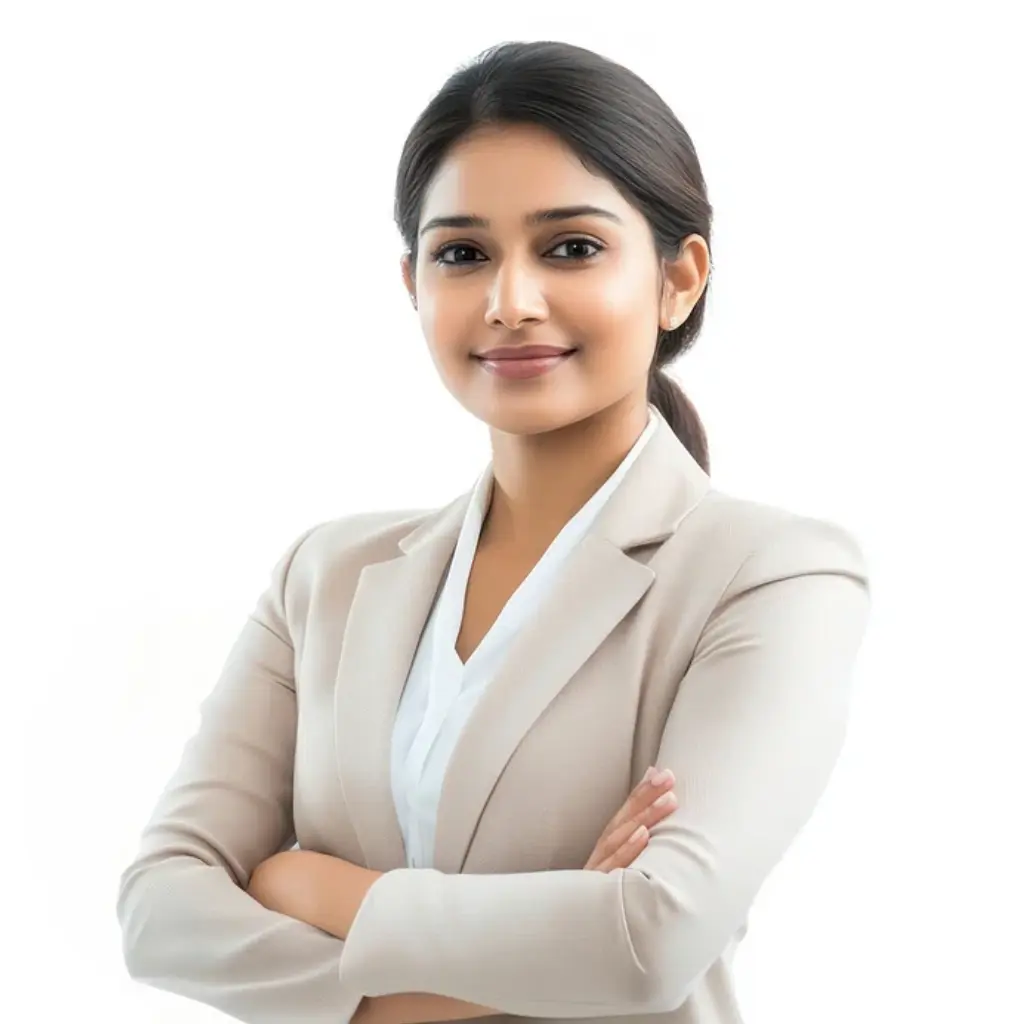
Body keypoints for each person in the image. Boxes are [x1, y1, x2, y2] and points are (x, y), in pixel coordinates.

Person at [116, 39, 871, 1024]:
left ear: (679, 278)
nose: (510, 301)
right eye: (463, 253)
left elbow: (646, 941)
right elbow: (159, 910)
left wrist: (314, 888)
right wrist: (534, 956)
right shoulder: (327, 575)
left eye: (571, 247)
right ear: (413, 284)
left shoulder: (773, 576)